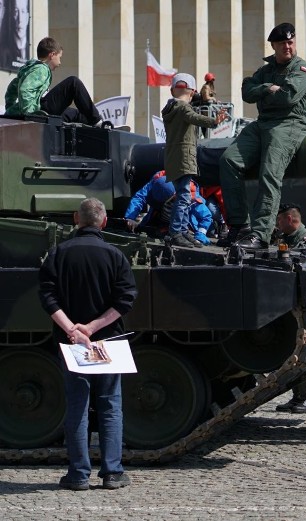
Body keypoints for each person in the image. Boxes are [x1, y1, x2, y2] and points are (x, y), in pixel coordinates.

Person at [37, 198, 137, 491]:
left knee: (78, 405)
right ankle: (113, 473)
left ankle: (78, 474)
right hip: (108, 341)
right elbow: (126, 299)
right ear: (104, 221)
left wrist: (74, 330)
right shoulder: (115, 255)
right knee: (109, 405)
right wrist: (93, 328)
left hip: (72, 343)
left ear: (75, 219)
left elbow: (47, 297)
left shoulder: (57, 254)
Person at [219, 22, 306, 250]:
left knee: (269, 172)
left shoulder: (302, 70)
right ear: (273, 45)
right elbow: (246, 91)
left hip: (289, 123)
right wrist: (268, 88)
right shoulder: (266, 70)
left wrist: (264, 90)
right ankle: (239, 226)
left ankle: (261, 233)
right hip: (263, 123)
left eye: (290, 42)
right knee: (228, 161)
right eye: (282, 43)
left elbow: (287, 98)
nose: (287, 47)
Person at [162, 73, 227, 248]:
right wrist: (214, 121)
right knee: (184, 196)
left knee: (184, 195)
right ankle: (176, 231)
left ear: (172, 90)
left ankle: (182, 230)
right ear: (192, 92)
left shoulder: (170, 108)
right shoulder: (183, 108)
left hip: (174, 157)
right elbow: (194, 118)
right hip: (184, 157)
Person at [4, 37, 115, 127]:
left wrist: (10, 108)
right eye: (59, 57)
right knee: (73, 82)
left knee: (73, 113)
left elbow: (11, 89)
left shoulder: (30, 68)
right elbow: (25, 89)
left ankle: (97, 125)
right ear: (52, 55)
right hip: (38, 111)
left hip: (38, 109)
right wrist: (30, 115)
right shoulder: (41, 69)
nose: (60, 62)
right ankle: (96, 121)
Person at [274, 210, 306, 414]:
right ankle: (297, 396)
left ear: (291, 219)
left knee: (301, 355)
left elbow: (305, 267)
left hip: (303, 306)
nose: (278, 223)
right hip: (289, 304)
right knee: (291, 354)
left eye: (280, 220)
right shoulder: (286, 238)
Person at [124, 171, 213, 244]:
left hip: (186, 227)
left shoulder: (190, 196)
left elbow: (206, 216)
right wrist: (130, 218)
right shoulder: (155, 182)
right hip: (158, 221)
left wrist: (201, 234)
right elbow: (139, 197)